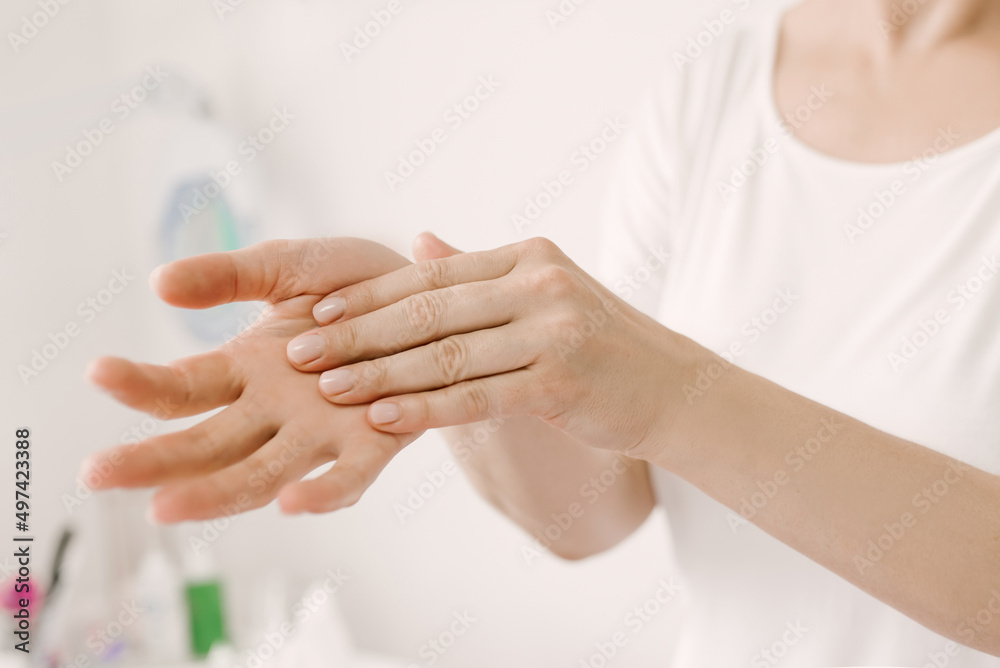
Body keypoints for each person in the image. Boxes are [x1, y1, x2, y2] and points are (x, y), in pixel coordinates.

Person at [82, 0, 1000, 663]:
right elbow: (598, 511)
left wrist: (674, 395)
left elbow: (659, 403)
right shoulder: (714, 94)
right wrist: (436, 354)